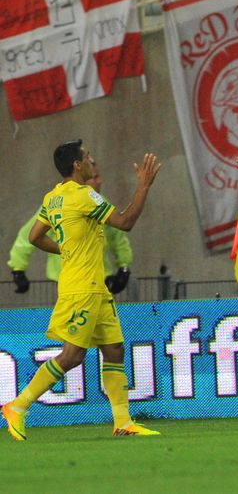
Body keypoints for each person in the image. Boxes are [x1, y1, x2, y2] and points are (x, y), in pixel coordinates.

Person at [1, 140, 161, 441]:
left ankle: (123, 422)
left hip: (94, 288)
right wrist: (144, 186)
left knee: (114, 349)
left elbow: (35, 237)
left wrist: (66, 250)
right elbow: (125, 223)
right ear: (77, 165)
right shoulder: (84, 195)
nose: (91, 160)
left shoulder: (54, 198)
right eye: (87, 157)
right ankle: (17, 406)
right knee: (72, 355)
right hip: (82, 290)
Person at [7, 158, 133, 295]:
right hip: (69, 280)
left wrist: (124, 266)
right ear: (83, 177)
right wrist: (18, 269)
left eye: (98, 176)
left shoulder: (100, 203)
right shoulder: (59, 203)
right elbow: (28, 235)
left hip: (99, 277)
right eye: (94, 177)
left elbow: (117, 237)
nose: (99, 181)